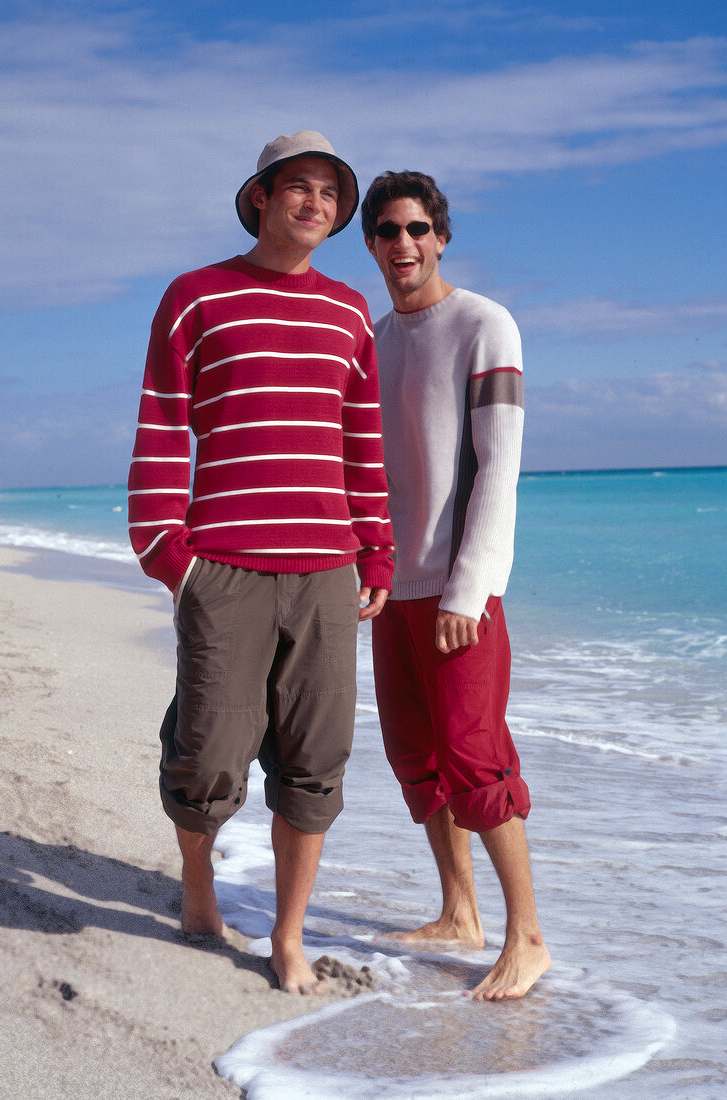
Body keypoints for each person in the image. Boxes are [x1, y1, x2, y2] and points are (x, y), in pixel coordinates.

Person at [128, 131, 393, 995]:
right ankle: (198, 884)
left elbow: (363, 440)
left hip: (325, 570)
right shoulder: (194, 296)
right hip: (226, 568)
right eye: (297, 187)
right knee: (208, 752)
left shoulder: (351, 310)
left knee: (316, 759)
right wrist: (169, 552)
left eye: (329, 193)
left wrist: (377, 548)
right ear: (261, 198)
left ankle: (287, 934)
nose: (313, 202)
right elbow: (165, 421)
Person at [361, 170, 550, 1000]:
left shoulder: (484, 324)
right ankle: (458, 911)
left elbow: (499, 470)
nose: (402, 245)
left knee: (476, 760)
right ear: (370, 244)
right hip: (391, 588)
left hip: (455, 591)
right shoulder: (373, 338)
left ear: (440, 236)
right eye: (386, 231)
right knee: (417, 757)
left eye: (416, 229)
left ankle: (529, 936)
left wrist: (468, 590)